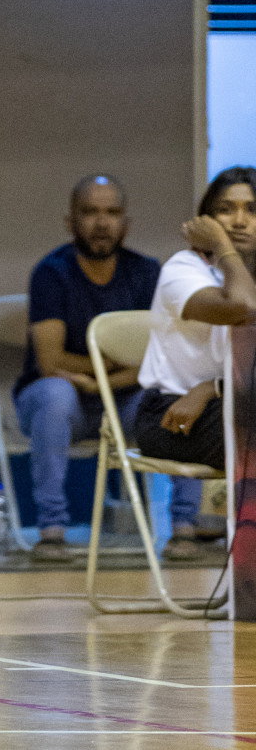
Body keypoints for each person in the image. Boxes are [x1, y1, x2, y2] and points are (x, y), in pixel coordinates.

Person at [12, 175, 201, 562]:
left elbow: (162, 358)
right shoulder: (51, 273)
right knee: (55, 393)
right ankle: (52, 531)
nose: (101, 223)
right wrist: (115, 364)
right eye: (90, 212)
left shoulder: (148, 273)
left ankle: (185, 528)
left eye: (112, 212)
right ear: (70, 222)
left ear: (126, 223)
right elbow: (51, 362)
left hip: (124, 403)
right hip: (64, 403)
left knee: (181, 390)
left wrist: (102, 382)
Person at [133, 167, 256, 559]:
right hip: (169, 414)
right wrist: (223, 248)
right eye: (225, 210)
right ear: (205, 222)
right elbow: (242, 308)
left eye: (252, 210)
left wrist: (209, 388)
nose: (239, 220)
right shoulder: (183, 269)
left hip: (226, 404)